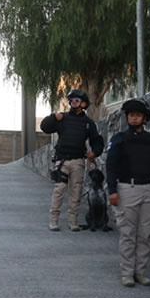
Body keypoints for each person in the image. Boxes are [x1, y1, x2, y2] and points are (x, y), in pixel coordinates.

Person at [105, 98, 150, 287]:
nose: (134, 118)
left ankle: (140, 272)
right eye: (131, 115)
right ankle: (127, 273)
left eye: (138, 115)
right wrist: (113, 191)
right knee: (128, 233)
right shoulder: (119, 139)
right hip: (127, 189)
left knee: (145, 234)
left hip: (149, 189)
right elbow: (111, 166)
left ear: (144, 118)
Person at [41, 89, 105, 231]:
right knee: (59, 190)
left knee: (76, 191)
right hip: (62, 160)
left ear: (83, 104)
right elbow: (44, 127)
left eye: (76, 100)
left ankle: (72, 221)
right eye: (71, 100)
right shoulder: (62, 118)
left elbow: (97, 140)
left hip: (78, 162)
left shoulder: (88, 123)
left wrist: (95, 153)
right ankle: (54, 221)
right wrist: (53, 117)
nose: (73, 103)